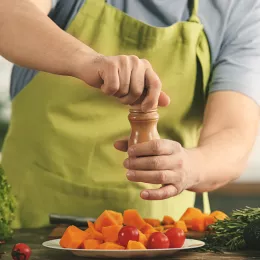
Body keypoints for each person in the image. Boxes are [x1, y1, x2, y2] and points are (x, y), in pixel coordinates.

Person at [0, 0, 259, 229]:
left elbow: (233, 133)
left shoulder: (239, 8)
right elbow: (8, 12)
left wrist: (191, 166)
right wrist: (87, 61)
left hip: (160, 232)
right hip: (29, 221)